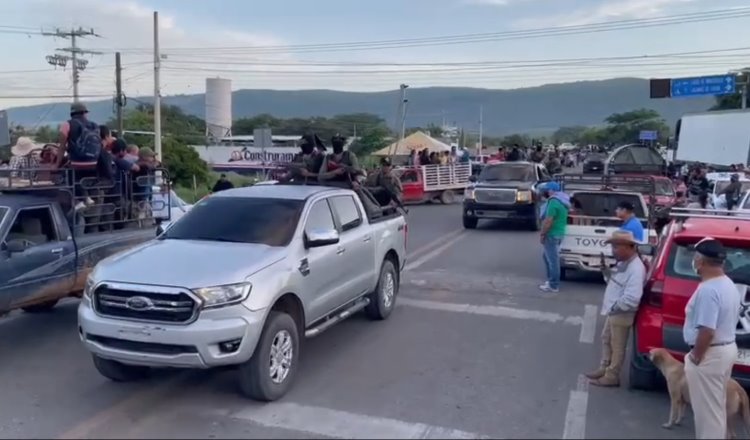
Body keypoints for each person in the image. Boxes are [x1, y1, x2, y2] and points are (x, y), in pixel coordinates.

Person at [683, 238, 740, 439]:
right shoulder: (727, 283)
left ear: (701, 262)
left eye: (695, 258)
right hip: (725, 349)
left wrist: (696, 356)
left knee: (708, 415)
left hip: (710, 354)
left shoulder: (709, 290)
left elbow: (707, 329)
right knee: (715, 409)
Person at [585, 230, 646, 387]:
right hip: (615, 310)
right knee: (606, 339)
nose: (613, 251)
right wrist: (606, 271)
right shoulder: (624, 263)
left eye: (616, 247)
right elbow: (615, 282)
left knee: (617, 345)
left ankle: (612, 375)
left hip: (621, 312)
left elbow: (633, 297)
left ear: (628, 247)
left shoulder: (636, 268)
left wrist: (615, 307)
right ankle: (605, 367)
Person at [539, 181, 570, 293]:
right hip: (559, 233)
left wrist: (542, 234)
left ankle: (553, 285)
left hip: (551, 234)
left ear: (551, 190)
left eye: (547, 190)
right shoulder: (564, 201)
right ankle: (551, 281)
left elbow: (548, 221)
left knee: (552, 260)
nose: (545, 192)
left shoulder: (553, 202)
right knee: (546, 257)